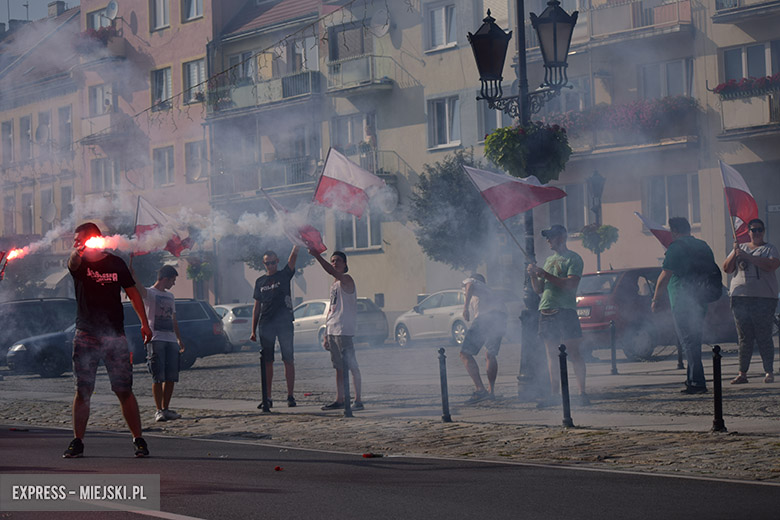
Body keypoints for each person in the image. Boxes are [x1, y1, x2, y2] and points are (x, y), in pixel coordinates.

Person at [64, 222, 153, 458]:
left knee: (124, 389)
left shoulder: (116, 263)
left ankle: (139, 439)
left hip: (114, 334)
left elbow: (133, 293)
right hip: (86, 334)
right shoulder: (79, 261)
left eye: (79, 239)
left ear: (95, 238)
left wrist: (144, 323)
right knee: (83, 390)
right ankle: (77, 441)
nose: (76, 243)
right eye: (75, 240)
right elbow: (72, 262)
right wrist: (78, 251)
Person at [652, 217, 717, 394]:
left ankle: (697, 382)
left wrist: (656, 299)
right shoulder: (703, 245)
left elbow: (664, 276)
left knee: (688, 342)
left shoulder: (676, 248)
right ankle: (692, 380)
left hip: (682, 300)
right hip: (700, 299)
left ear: (674, 231)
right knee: (693, 340)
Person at [527, 224, 588, 406]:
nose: (548, 240)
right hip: (546, 309)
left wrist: (545, 274)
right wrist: (532, 275)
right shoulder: (548, 260)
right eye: (547, 237)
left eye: (551, 237)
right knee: (551, 355)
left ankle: (582, 392)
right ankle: (555, 395)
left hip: (565, 310)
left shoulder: (574, 259)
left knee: (573, 352)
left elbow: (570, 285)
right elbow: (538, 289)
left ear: (561, 238)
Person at [722, 219, 779, 384]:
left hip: (763, 298)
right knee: (744, 337)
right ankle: (742, 373)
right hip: (740, 298)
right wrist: (735, 253)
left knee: (763, 336)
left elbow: (771, 265)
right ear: (748, 232)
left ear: (764, 231)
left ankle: (769, 371)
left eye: (760, 230)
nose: (757, 233)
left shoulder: (769, 249)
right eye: (754, 230)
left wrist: (748, 257)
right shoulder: (741, 248)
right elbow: (727, 268)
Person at [130, 261, 186, 421]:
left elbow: (173, 319)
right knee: (157, 375)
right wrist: (132, 275)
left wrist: (179, 339)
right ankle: (159, 410)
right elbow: (138, 287)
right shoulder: (150, 293)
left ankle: (166, 408)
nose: (174, 283)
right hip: (155, 339)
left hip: (170, 340)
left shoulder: (170, 296)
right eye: (172, 280)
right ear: (165, 278)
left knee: (171, 376)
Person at [310, 249, 363, 411]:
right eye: (333, 260)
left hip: (344, 329)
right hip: (333, 329)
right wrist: (326, 333)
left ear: (345, 264)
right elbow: (331, 310)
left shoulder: (346, 279)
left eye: (338, 260)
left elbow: (331, 271)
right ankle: (339, 399)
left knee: (352, 365)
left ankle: (358, 400)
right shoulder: (334, 285)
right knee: (338, 367)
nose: (335, 263)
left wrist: (317, 255)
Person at [250, 246, 299, 408]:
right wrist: (253, 330)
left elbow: (292, 261)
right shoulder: (259, 282)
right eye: (267, 263)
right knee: (267, 361)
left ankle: (290, 395)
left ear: (277, 261)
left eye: (272, 262)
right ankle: (267, 397)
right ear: (264, 264)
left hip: (284, 323)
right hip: (266, 324)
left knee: (288, 359)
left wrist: (296, 245)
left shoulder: (284, 275)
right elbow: (257, 307)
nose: (270, 266)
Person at [459, 274, 507, 404]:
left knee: (464, 353)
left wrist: (465, 308)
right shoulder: (488, 291)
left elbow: (469, 285)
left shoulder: (472, 281)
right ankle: (490, 392)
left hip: (486, 318)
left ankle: (480, 390)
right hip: (500, 317)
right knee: (490, 354)